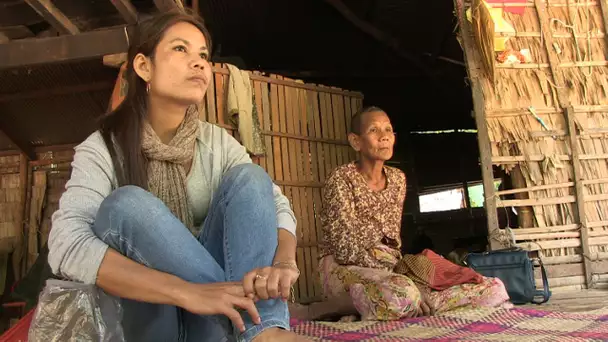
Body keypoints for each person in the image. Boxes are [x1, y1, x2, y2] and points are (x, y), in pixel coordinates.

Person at [48, 10, 309, 342]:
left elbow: (277, 207)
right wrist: (186, 292)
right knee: (127, 205)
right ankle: (252, 328)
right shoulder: (103, 148)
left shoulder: (216, 143)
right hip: (150, 318)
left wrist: (285, 261)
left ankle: (264, 333)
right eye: (181, 49)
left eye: (203, 54)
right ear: (144, 67)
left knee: (251, 179)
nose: (200, 63)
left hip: (214, 321)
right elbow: (66, 244)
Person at [317, 106, 511, 321]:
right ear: (356, 141)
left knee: (493, 289)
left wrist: (408, 277)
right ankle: (340, 306)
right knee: (403, 292)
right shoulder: (341, 178)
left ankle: (386, 307)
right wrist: (399, 279)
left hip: (392, 272)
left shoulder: (397, 179)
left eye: (388, 130)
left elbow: (393, 243)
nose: (384, 137)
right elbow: (345, 250)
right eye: (374, 130)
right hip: (345, 269)